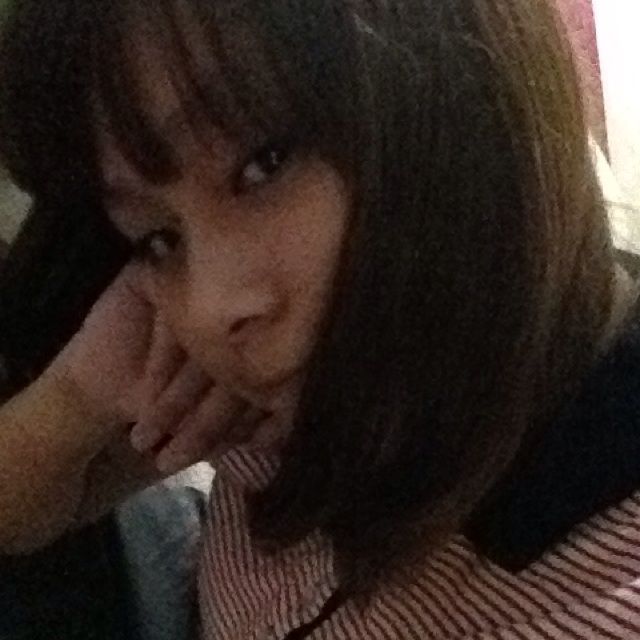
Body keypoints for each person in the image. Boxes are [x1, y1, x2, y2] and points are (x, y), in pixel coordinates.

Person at [1, 0, 640, 638]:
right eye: (157, 236)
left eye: (266, 162)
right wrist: (72, 405)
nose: (209, 309)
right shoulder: (301, 387)